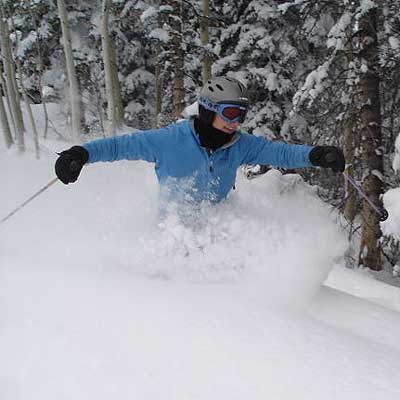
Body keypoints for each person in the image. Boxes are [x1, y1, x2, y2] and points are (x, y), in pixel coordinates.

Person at [55, 76, 345, 205]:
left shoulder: (240, 144)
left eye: (241, 113)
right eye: (230, 112)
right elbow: (120, 146)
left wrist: (316, 155)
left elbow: (280, 153)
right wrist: (80, 154)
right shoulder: (169, 141)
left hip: (217, 225)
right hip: (173, 233)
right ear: (208, 109)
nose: (236, 120)